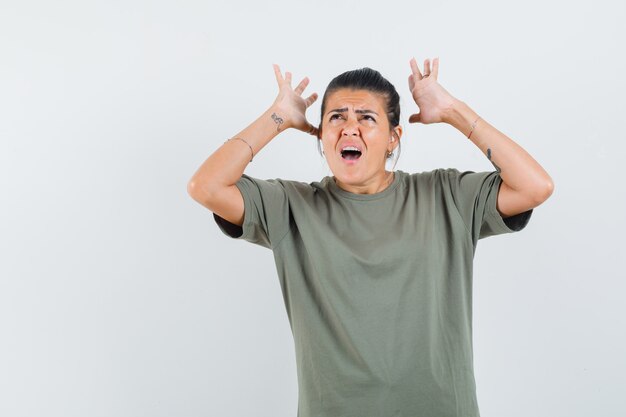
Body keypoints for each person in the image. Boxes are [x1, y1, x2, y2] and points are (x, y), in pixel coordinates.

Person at [187, 57, 554, 417]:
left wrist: (452, 110)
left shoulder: (447, 195)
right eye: (336, 117)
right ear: (321, 136)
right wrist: (278, 117)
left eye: (366, 118)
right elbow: (206, 186)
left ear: (393, 138)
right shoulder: (291, 207)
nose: (349, 128)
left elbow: (535, 186)